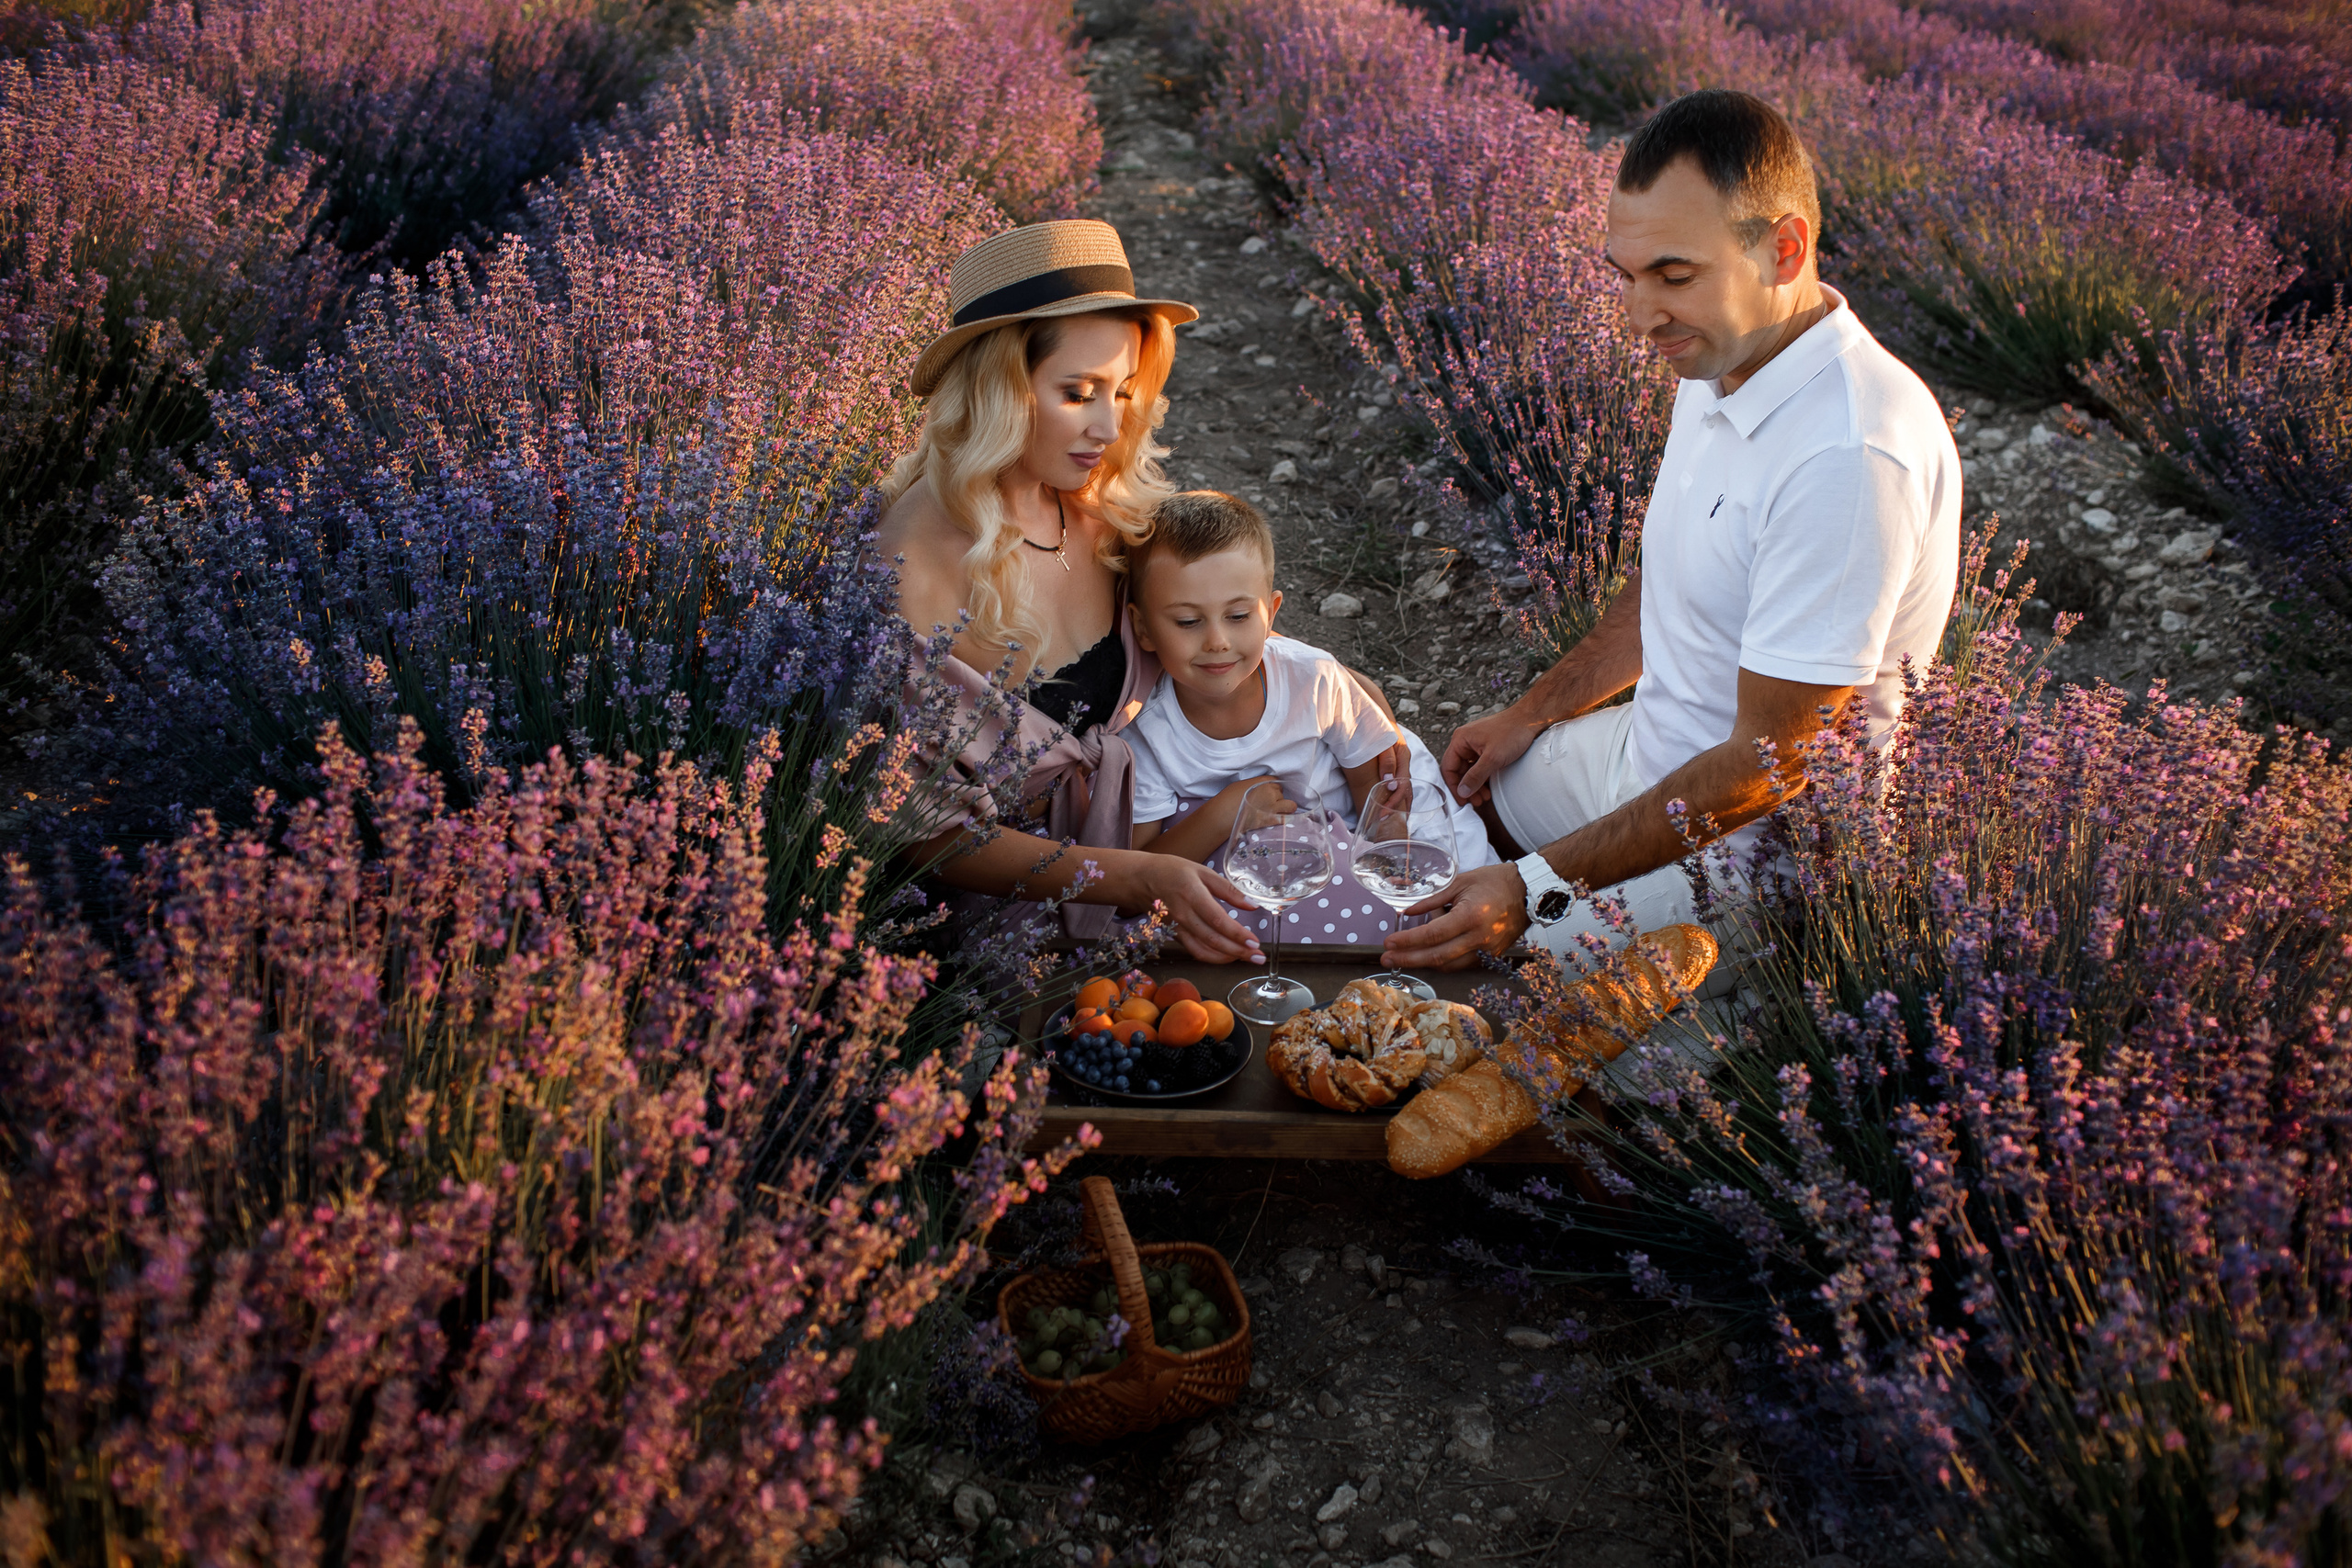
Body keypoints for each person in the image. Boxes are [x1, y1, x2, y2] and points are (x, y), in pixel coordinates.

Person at [1382, 89, 1962, 974]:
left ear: (1785, 248)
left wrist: (1535, 887)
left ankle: (1730, 1002)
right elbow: (1673, 575)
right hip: (1646, 755)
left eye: (1674, 275)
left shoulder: (1848, 452)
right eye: (1627, 274)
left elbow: (1771, 766)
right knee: (1461, 802)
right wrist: (1532, 714)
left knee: (1483, 992)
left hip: (1747, 854)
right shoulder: (1723, 357)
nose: (1640, 315)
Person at [879, 220, 1406, 960]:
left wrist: (1330, 674)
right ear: (998, 388)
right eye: (1077, 392)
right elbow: (930, 835)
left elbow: (1195, 612)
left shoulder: (1088, 501)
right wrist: (1133, 878)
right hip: (1015, 913)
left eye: (1122, 391)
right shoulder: (914, 563)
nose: (1106, 425)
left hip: (1155, 843)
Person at [1121, 492, 1497, 946]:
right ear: (1142, 628)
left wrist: (1387, 860)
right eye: (1187, 622)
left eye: (1239, 616)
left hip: (1345, 826)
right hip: (1253, 852)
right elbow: (1141, 866)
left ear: (1272, 611)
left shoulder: (1312, 679)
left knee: (1444, 903)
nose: (1218, 641)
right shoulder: (1145, 726)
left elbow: (1373, 783)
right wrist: (1222, 817)